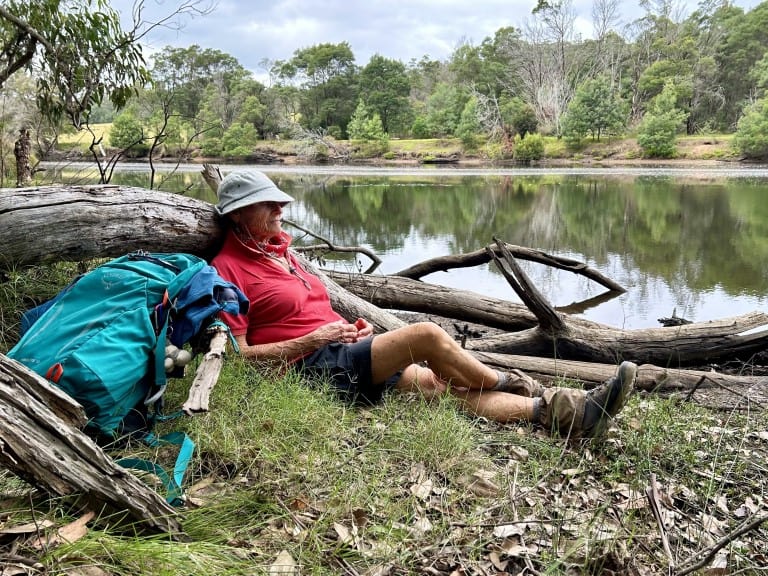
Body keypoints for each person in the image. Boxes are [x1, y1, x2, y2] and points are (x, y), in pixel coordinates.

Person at [211, 170, 637, 439]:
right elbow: (238, 357)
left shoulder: (279, 251)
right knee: (427, 335)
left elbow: (309, 311)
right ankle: (516, 383)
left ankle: (567, 414)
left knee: (438, 387)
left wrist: (350, 331)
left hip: (343, 354)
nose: (281, 207)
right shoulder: (227, 270)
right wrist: (312, 340)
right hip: (311, 369)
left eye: (280, 200)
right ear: (236, 215)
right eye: (268, 203)